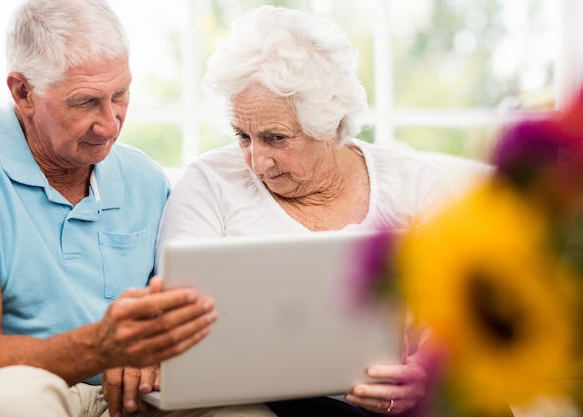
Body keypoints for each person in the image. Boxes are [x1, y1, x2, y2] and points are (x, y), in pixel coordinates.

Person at [0, 1, 276, 417]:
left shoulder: (144, 178)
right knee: (21, 401)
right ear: (23, 93)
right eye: (85, 101)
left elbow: (173, 316)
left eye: (120, 94)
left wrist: (153, 356)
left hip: (130, 394)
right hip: (27, 389)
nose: (110, 124)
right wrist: (98, 348)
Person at [158, 5, 462, 417]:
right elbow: (174, 325)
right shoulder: (208, 185)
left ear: (330, 127)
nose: (256, 161)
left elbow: (464, 315)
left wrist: (426, 371)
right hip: (280, 402)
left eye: (276, 138)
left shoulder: (415, 184)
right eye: (242, 136)